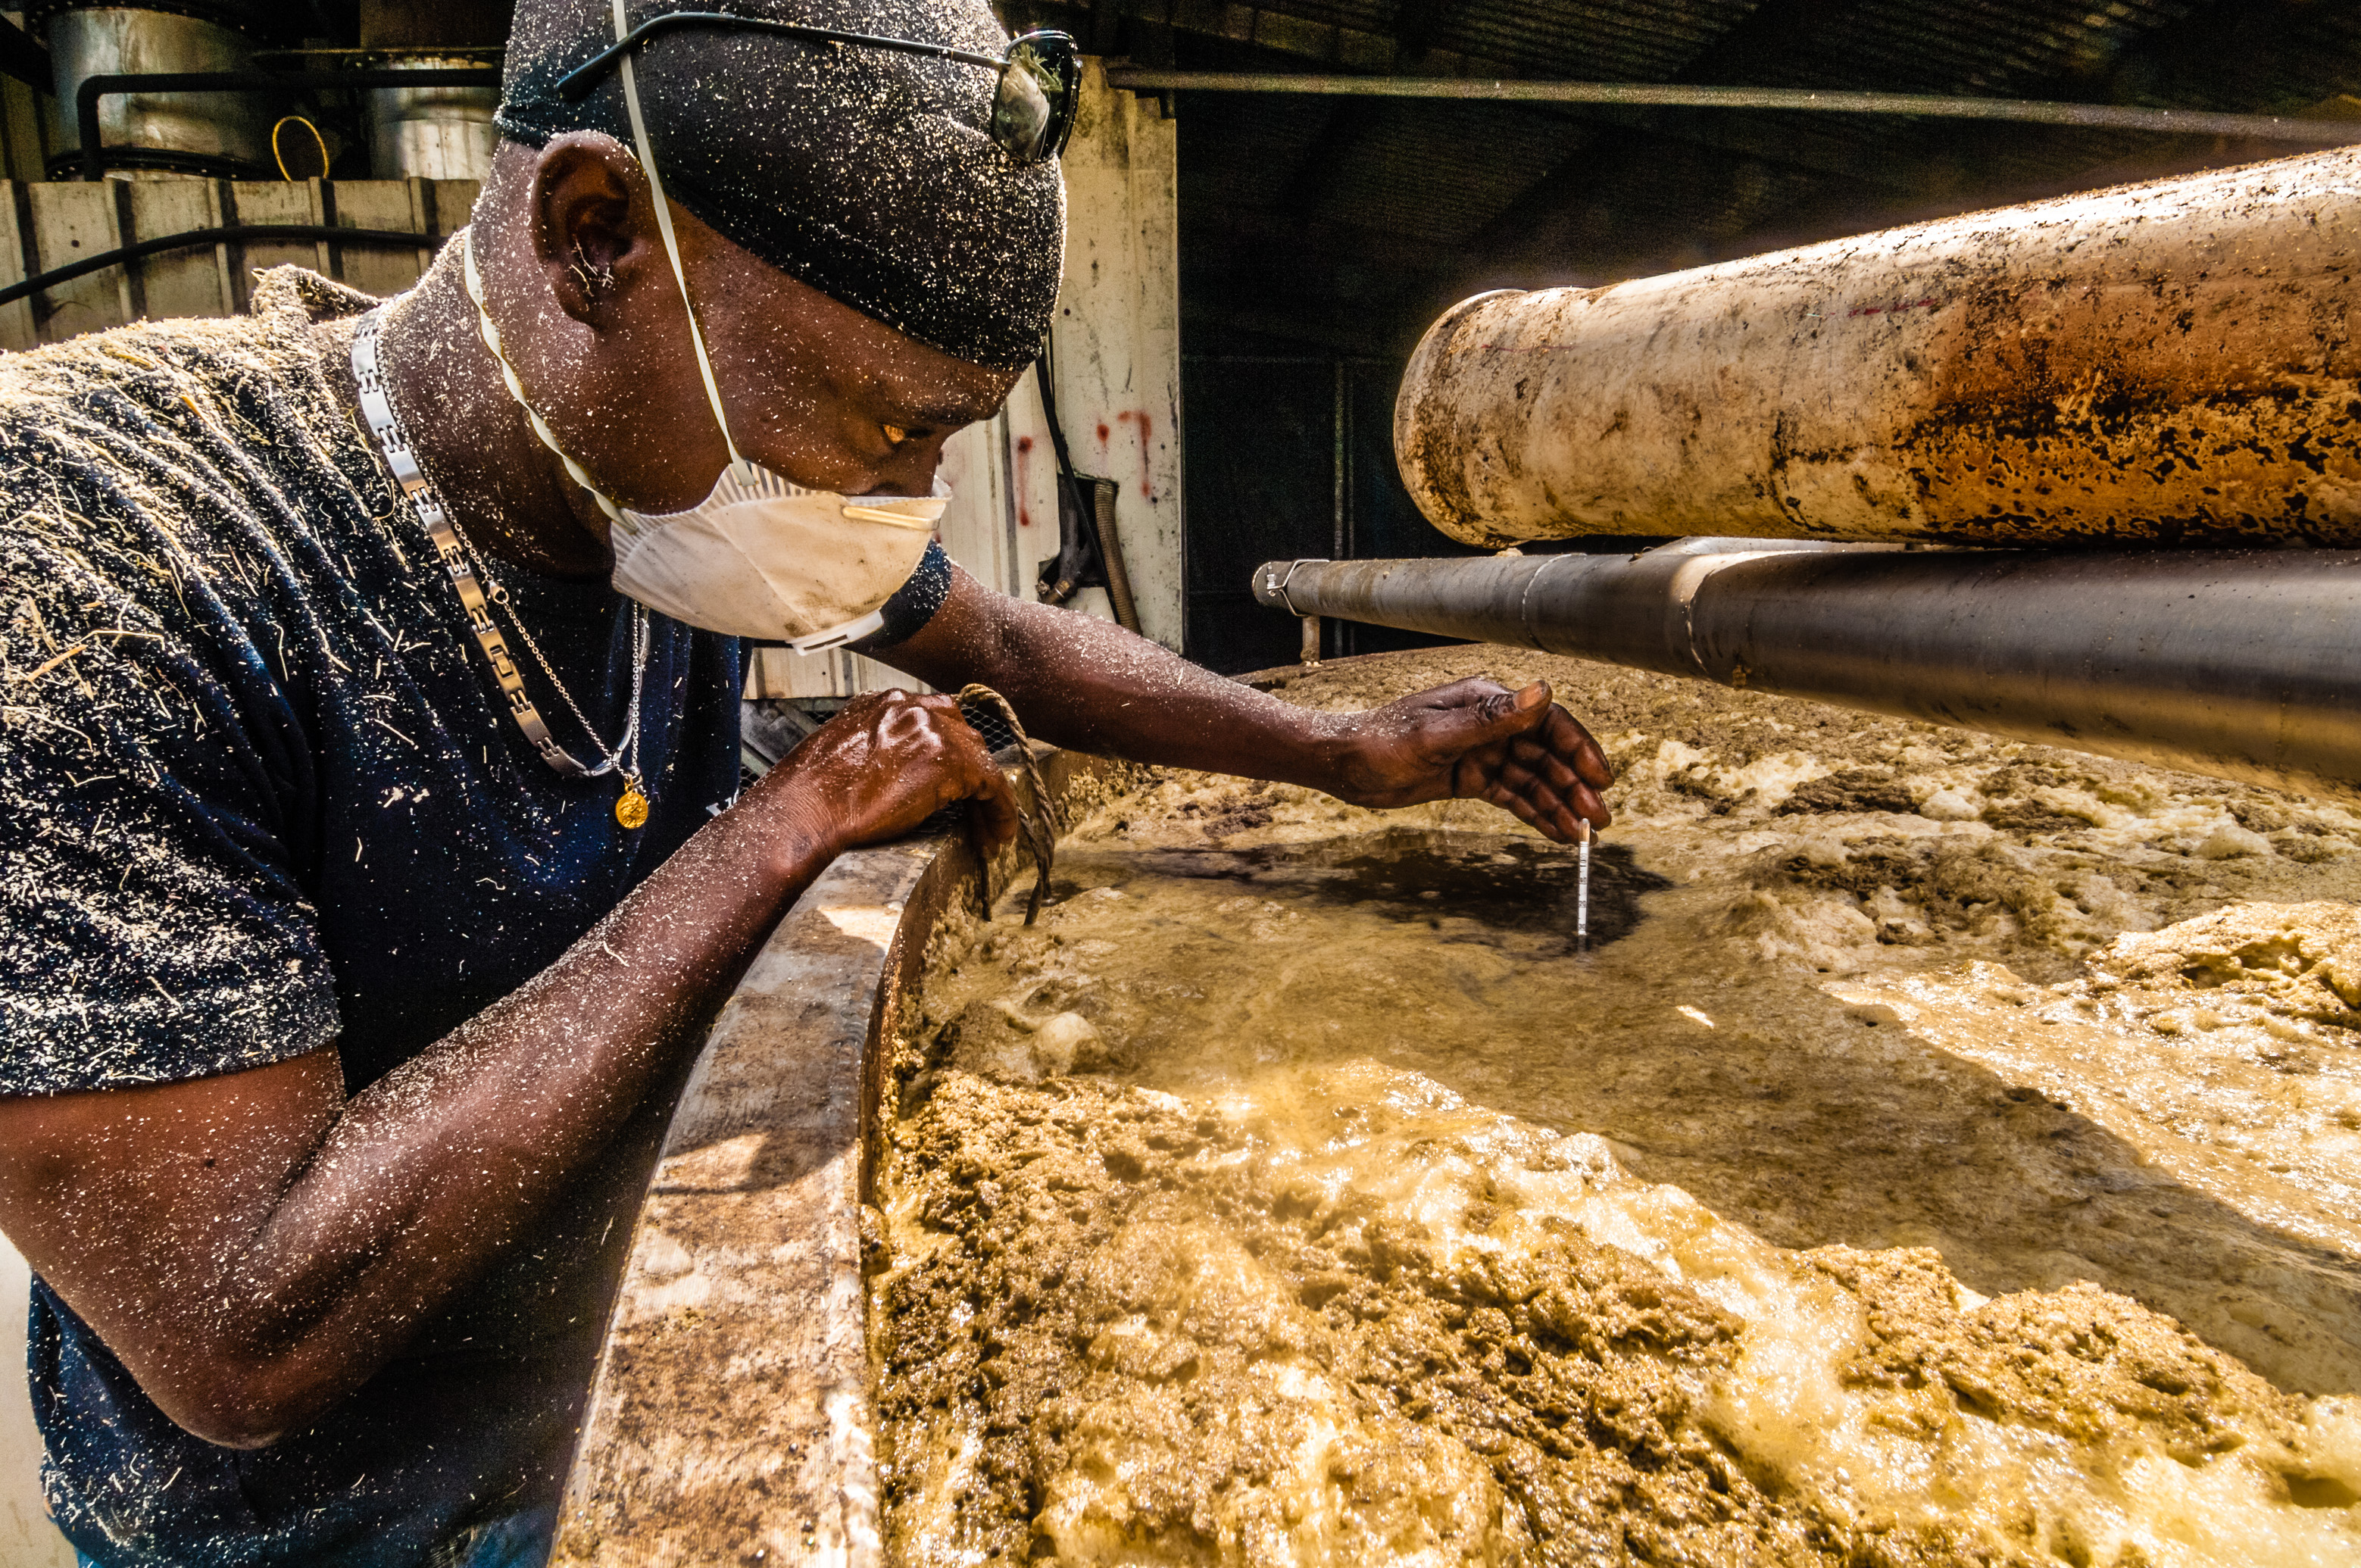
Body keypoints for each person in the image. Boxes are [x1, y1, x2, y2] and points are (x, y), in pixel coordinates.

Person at [0, 0, 1613, 1563]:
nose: (904, 507)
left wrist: (1342, 752)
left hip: (650, 1333)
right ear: (594, 236)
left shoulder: (668, 480)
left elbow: (1002, 639)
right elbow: (241, 1329)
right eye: (887, 430)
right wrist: (787, 825)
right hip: (366, 1519)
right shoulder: (97, 552)